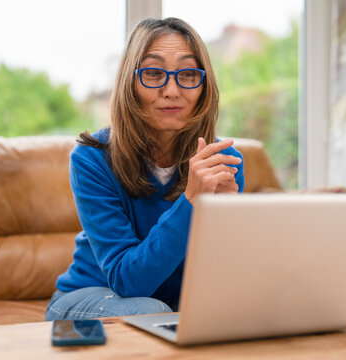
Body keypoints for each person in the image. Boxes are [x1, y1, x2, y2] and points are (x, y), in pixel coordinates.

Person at [45, 17, 245, 320]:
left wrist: (226, 222)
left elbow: (222, 278)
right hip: (91, 295)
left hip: (173, 306)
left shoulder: (222, 160)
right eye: (153, 73)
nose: (172, 90)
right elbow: (129, 281)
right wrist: (191, 201)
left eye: (188, 74)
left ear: (203, 87)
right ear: (130, 82)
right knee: (151, 311)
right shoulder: (91, 158)